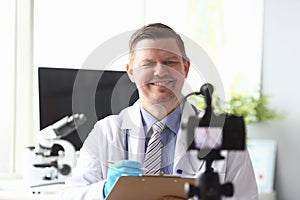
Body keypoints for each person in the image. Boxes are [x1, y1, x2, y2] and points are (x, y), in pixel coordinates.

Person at [59, 23, 258, 200]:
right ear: (131, 71)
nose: (160, 71)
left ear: (186, 67)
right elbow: (69, 195)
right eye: (147, 63)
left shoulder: (219, 133)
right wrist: (104, 190)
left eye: (170, 62)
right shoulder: (106, 132)